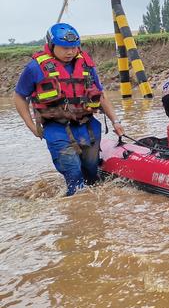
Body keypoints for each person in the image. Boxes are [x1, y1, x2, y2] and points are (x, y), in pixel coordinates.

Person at [14, 23, 125, 196]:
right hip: (55, 127)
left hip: (86, 125)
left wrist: (115, 121)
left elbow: (100, 95)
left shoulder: (86, 65)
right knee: (73, 173)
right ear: (52, 46)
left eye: (74, 47)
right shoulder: (35, 68)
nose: (70, 52)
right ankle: (77, 207)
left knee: (91, 172)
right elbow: (19, 96)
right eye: (65, 48)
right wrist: (31, 126)